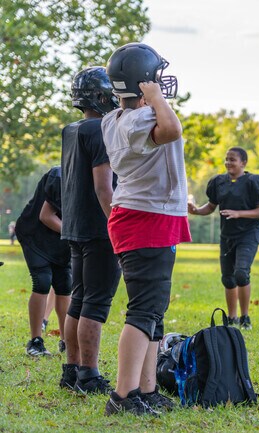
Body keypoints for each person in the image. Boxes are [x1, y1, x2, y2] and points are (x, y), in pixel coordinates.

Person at [102, 42, 191, 416]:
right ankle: (123, 397)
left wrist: (150, 97)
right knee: (143, 310)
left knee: (154, 310)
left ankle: (146, 389)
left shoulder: (115, 118)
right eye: (154, 79)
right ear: (142, 84)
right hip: (145, 219)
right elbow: (170, 129)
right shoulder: (140, 119)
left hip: (151, 216)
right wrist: (155, 98)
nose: (160, 84)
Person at [59, 66, 122, 395]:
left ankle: (71, 369)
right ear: (101, 96)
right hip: (98, 227)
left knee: (78, 299)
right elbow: (103, 187)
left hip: (74, 225)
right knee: (95, 302)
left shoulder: (72, 130)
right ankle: (89, 373)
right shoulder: (101, 129)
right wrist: (117, 226)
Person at [188, 147, 259, 330]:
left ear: (243, 162)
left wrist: (238, 213)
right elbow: (210, 206)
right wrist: (196, 211)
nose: (228, 163)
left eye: (232, 159)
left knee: (241, 273)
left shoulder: (253, 182)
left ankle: (245, 317)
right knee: (227, 278)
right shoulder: (219, 182)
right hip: (227, 235)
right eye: (226, 159)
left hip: (248, 234)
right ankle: (232, 318)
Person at [15, 167, 71, 356]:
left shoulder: (93, 179)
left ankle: (66, 340)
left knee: (64, 284)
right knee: (43, 280)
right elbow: (46, 216)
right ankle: (36, 341)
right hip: (35, 235)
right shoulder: (60, 176)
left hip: (60, 239)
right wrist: (73, 234)